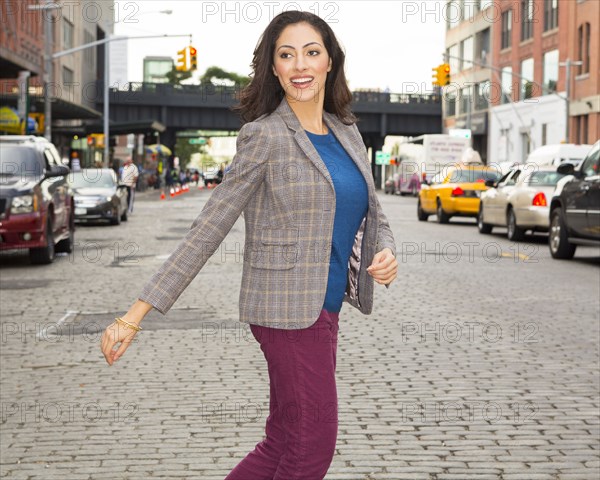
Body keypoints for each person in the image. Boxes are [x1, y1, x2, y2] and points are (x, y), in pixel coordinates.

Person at [101, 11, 398, 480]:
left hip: (326, 310)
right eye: (287, 54)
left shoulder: (348, 132)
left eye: (311, 52)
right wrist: (133, 315)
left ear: (329, 62)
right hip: (284, 312)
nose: (300, 64)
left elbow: (372, 211)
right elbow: (209, 226)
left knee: (284, 440)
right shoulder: (263, 136)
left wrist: (384, 251)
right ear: (274, 69)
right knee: (311, 449)